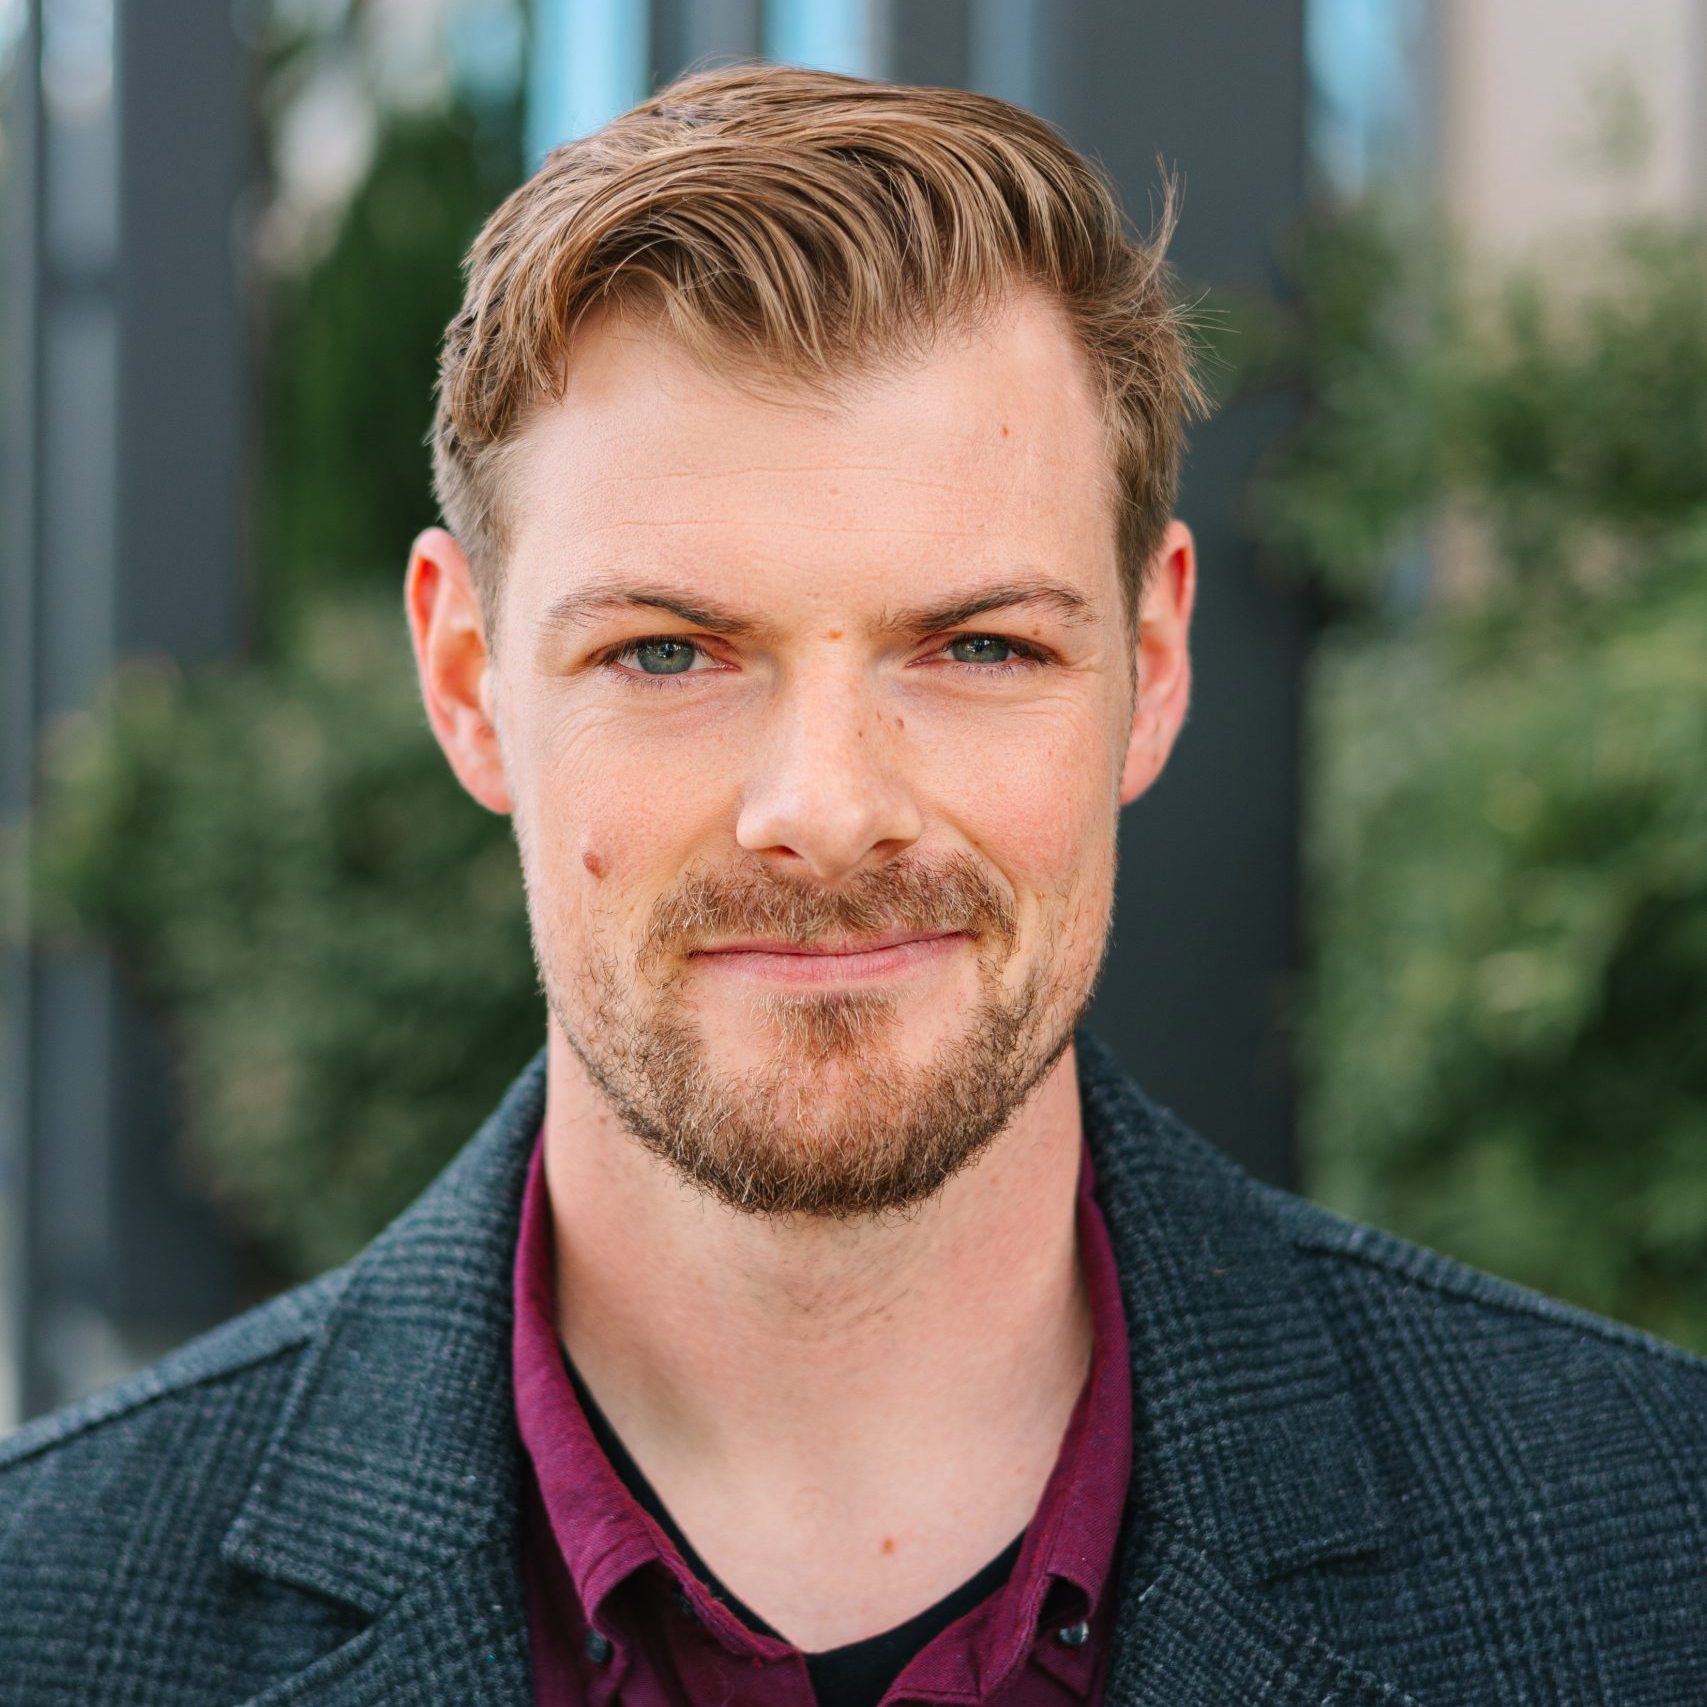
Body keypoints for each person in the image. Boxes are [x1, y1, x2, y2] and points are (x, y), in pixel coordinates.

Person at [3, 60, 1704, 1707]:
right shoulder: (46, 1611)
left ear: (1154, 663)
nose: (824, 811)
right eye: (668, 652)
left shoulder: (1653, 1551)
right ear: (466, 682)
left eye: (979, 646)